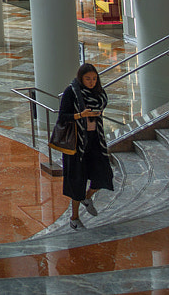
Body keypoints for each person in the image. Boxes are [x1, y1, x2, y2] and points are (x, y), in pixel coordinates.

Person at [60, 63, 114, 229]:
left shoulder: (99, 94)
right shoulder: (72, 92)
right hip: (77, 143)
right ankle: (74, 218)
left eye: (94, 79)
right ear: (80, 78)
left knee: (103, 173)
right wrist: (80, 115)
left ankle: (87, 196)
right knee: (77, 180)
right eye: (88, 79)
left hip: (95, 140)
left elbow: (102, 104)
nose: (91, 82)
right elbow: (62, 116)